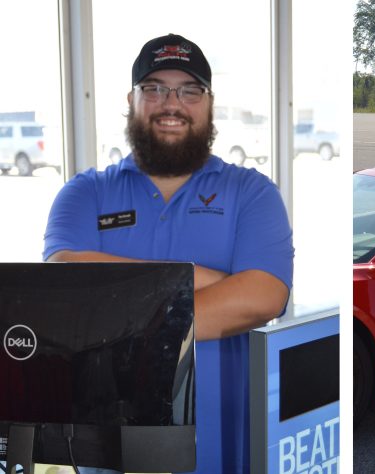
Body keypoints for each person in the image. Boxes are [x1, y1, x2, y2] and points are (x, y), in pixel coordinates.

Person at [43, 33, 293, 473]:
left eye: (189, 90)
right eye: (154, 88)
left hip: (222, 448)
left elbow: (264, 296)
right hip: (107, 452)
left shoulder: (251, 193)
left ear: (209, 103)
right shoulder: (85, 194)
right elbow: (65, 279)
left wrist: (122, 314)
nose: (171, 103)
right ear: (132, 99)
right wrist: (206, 277)